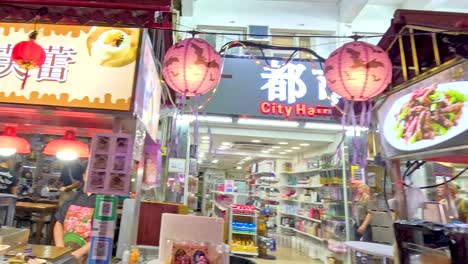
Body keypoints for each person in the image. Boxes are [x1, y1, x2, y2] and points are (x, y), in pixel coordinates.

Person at [54, 169, 96, 263]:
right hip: (66, 253)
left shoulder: (105, 201)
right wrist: (60, 249)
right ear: (84, 176)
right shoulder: (73, 197)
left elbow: (104, 234)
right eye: (91, 172)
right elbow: (59, 223)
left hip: (89, 256)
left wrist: (80, 252)